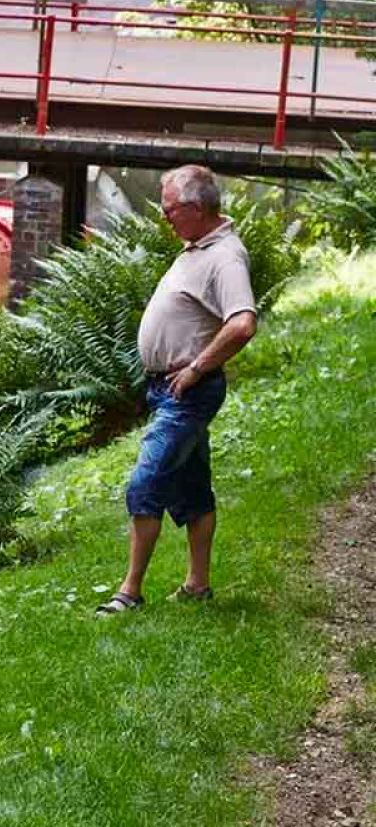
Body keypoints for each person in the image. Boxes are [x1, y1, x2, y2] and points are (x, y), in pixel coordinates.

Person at [96, 165, 258, 616]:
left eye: (169, 209)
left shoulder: (225, 256)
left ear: (193, 207)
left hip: (188, 392)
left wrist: (196, 369)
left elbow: (243, 323)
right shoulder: (197, 248)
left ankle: (129, 592)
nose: (164, 217)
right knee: (193, 489)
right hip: (171, 390)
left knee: (144, 483)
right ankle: (197, 585)